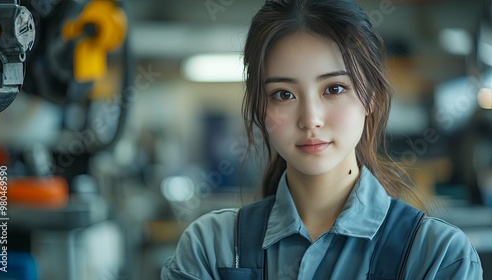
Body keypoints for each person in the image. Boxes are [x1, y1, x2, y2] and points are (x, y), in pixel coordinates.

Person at [161, 0, 483, 279]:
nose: (310, 119)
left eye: (334, 88)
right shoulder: (210, 249)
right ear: (261, 106)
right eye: (283, 94)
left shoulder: (438, 257)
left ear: (370, 96)